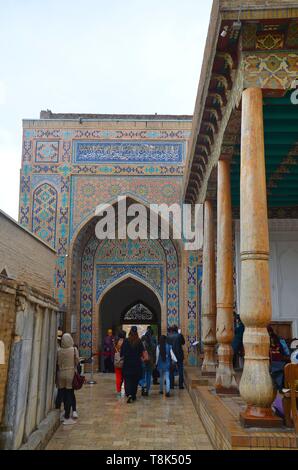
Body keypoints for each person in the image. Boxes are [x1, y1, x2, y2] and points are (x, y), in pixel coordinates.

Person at [56, 333, 79, 425]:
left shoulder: (59, 351)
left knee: (61, 393)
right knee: (69, 393)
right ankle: (67, 415)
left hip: (61, 373)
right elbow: (77, 361)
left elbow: (57, 362)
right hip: (70, 373)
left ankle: (59, 412)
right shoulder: (73, 350)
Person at [121, 326, 144, 403]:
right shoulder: (139, 341)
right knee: (135, 380)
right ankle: (133, 395)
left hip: (127, 364)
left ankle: (129, 394)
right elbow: (142, 352)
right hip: (137, 364)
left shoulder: (126, 341)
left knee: (127, 380)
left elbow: (122, 353)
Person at [268, 326, 290, 392]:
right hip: (277, 362)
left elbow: (284, 351)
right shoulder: (276, 339)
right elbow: (285, 352)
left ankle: (280, 389)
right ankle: (280, 389)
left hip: (276, 362)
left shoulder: (276, 339)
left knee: (277, 384)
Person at [167, 325, 185, 389]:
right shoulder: (179, 335)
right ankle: (180, 385)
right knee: (180, 370)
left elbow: (168, 346)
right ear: (177, 329)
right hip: (179, 355)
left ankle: (171, 385)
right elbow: (183, 342)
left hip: (171, 355)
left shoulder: (168, 336)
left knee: (171, 370)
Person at [139, 331, 156, 396]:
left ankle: (143, 386)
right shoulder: (153, 345)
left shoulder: (143, 344)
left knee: (142, 376)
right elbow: (154, 355)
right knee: (149, 376)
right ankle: (147, 391)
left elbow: (140, 353)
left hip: (143, 361)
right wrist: (154, 362)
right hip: (150, 362)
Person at [114, 331, 126, 398]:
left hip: (117, 362)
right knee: (125, 377)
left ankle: (118, 392)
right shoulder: (125, 342)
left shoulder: (116, 342)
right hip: (124, 362)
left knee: (118, 377)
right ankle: (126, 391)